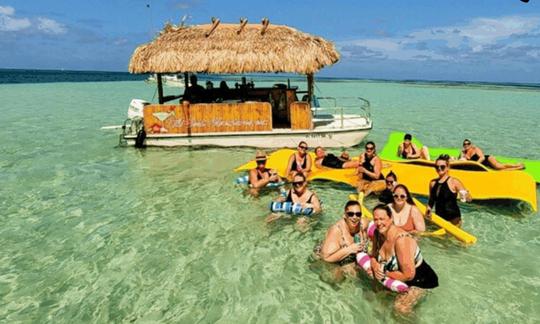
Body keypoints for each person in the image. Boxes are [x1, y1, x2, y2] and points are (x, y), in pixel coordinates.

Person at [369, 204, 438, 315]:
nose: (378, 223)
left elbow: (408, 275)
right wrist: (375, 265)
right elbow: (372, 255)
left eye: (382, 219)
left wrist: (385, 273)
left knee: (400, 308)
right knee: (376, 298)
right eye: (375, 219)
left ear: (391, 218)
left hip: (420, 281)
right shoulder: (378, 233)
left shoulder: (401, 240)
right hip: (397, 277)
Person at [316, 200, 369, 277]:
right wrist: (350, 249)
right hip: (328, 256)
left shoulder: (363, 224)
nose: (355, 217)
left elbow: (378, 227)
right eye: (350, 214)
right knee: (337, 278)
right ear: (345, 215)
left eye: (358, 214)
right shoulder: (337, 231)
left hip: (349, 258)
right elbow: (325, 258)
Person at [426, 154, 472, 226]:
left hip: (454, 220)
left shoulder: (454, 182)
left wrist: (467, 196)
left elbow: (468, 199)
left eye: (442, 167)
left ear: (447, 167)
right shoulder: (432, 183)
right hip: (439, 219)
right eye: (437, 167)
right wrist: (428, 209)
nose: (439, 169)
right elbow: (431, 200)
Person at [459, 139, 524, 170]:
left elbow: (482, 157)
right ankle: (518, 168)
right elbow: (461, 160)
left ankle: (517, 165)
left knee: (499, 166)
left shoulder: (475, 149)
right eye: (464, 144)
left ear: (471, 144)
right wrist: (462, 152)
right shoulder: (465, 153)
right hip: (485, 164)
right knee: (501, 169)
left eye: (468, 144)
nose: (466, 145)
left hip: (488, 159)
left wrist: (476, 164)